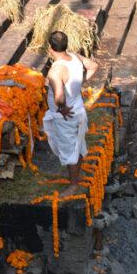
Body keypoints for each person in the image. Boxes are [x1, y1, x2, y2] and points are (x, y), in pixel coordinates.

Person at [43, 31, 98, 196]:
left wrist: (61, 107)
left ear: (50, 48)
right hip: (78, 108)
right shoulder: (75, 57)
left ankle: (74, 184)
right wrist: (80, 82)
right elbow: (94, 66)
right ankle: (76, 175)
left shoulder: (55, 72)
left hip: (65, 116)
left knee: (69, 150)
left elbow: (59, 97)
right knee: (77, 144)